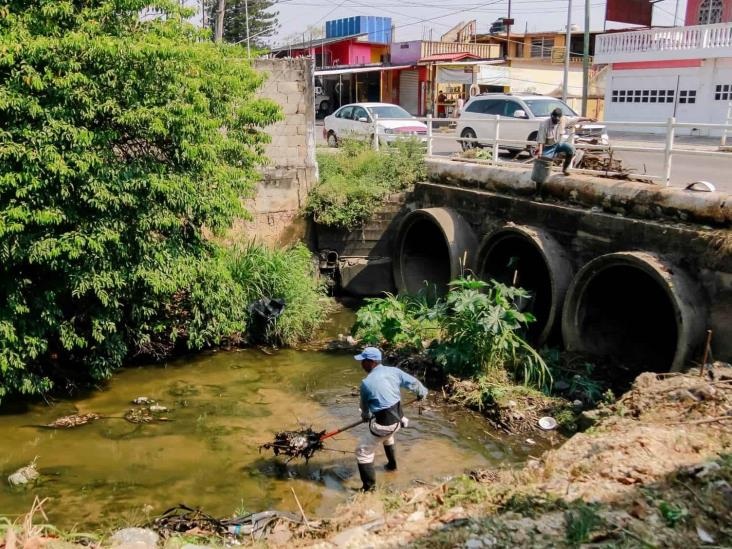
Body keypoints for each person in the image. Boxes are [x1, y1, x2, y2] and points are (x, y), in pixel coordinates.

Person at [354, 347, 428, 492]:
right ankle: (392, 466)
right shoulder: (394, 371)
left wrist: (365, 416)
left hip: (385, 425)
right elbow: (414, 383)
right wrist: (422, 393)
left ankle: (369, 489)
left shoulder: (366, 383)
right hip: (399, 420)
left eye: (363, 361)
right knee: (387, 436)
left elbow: (364, 409)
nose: (361, 364)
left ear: (371, 362)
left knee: (362, 451)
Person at [536, 107, 595, 175]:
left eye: (558, 120)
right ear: (551, 116)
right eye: (554, 119)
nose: (556, 121)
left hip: (558, 144)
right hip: (548, 147)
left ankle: (565, 169)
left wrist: (589, 119)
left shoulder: (564, 120)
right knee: (544, 162)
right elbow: (541, 139)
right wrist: (540, 152)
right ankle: (540, 179)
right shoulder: (544, 124)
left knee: (571, 149)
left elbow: (577, 119)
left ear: (560, 118)